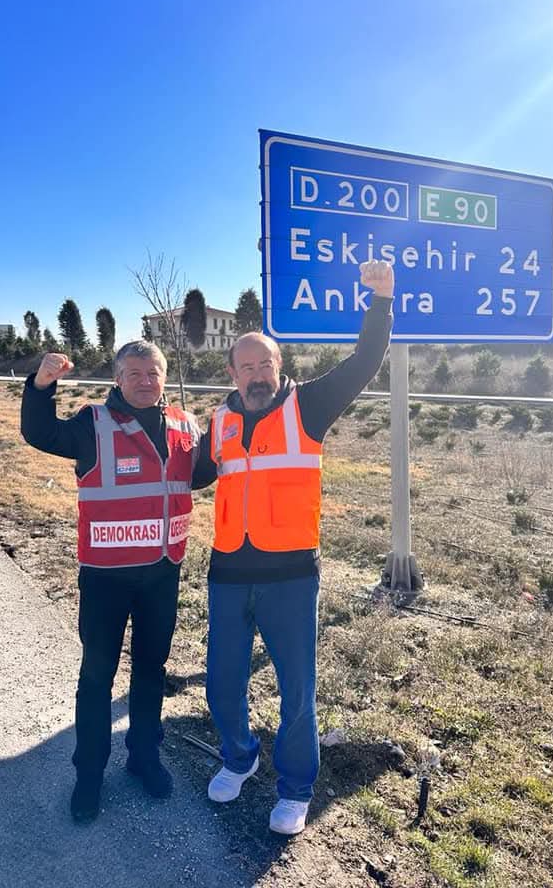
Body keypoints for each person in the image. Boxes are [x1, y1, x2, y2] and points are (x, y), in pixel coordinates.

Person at [194, 259, 394, 836]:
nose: (256, 373)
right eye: (245, 365)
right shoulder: (221, 422)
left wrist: (379, 302)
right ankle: (239, 756)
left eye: (266, 363)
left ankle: (296, 786)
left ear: (279, 366)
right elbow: (194, 474)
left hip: (290, 576)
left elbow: (361, 365)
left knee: (296, 689)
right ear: (231, 372)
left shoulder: (307, 405)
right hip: (228, 571)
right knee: (222, 680)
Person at [21, 342, 200, 823]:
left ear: (163, 377)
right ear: (118, 378)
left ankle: (144, 757)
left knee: (150, 670)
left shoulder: (184, 424)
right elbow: (39, 432)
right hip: (106, 576)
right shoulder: (92, 423)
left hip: (162, 572)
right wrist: (42, 385)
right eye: (134, 373)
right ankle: (89, 775)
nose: (145, 380)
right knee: (97, 677)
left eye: (153, 372)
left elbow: (200, 473)